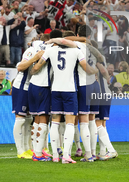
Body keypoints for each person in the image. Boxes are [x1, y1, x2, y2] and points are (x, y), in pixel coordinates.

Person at [31, 29, 97, 164]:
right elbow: (86, 68)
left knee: (54, 123)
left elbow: (38, 66)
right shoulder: (77, 50)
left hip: (55, 90)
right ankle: (66, 155)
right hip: (70, 91)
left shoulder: (50, 51)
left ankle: (55, 155)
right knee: (70, 124)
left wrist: (33, 70)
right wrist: (95, 72)